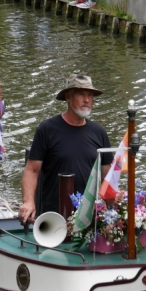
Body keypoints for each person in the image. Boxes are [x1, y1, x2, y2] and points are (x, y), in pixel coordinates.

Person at [18, 74, 113, 222]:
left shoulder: (99, 132)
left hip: (89, 217)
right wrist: (28, 201)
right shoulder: (47, 129)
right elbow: (32, 170)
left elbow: (108, 176)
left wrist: (112, 206)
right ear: (68, 97)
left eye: (90, 95)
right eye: (81, 94)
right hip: (53, 216)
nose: (87, 100)